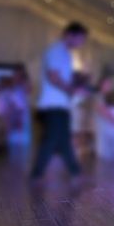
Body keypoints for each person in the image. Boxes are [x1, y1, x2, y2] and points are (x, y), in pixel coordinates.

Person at [30, 22, 88, 180]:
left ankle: (75, 172)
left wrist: (76, 84)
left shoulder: (66, 54)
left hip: (60, 105)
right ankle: (37, 174)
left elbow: (61, 78)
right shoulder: (56, 51)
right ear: (70, 35)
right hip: (52, 105)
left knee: (61, 140)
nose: (81, 43)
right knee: (52, 140)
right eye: (80, 39)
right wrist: (73, 90)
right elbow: (54, 77)